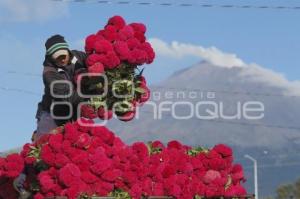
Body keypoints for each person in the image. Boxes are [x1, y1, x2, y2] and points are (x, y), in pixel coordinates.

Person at [14, 34, 88, 199]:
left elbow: (92, 60)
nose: (62, 60)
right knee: (39, 150)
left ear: (67, 50)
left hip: (71, 115)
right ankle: (21, 182)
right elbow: (67, 96)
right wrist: (91, 94)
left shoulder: (76, 56)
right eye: (57, 58)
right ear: (51, 57)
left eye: (64, 55)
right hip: (51, 116)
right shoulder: (49, 73)